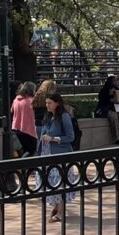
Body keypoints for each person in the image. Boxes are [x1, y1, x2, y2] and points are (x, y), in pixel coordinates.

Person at [37, 93, 78, 221]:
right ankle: (56, 206)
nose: (47, 105)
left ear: (57, 103)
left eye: (50, 103)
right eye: (46, 103)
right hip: (46, 154)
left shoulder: (64, 116)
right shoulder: (49, 116)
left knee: (60, 182)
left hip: (60, 154)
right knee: (48, 182)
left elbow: (70, 137)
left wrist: (54, 139)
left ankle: (60, 210)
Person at [96, 76, 119, 144]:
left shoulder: (118, 90)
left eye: (116, 81)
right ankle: (117, 138)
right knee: (114, 117)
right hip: (109, 109)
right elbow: (102, 102)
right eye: (114, 81)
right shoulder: (104, 91)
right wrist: (110, 96)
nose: (116, 82)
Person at [9, 81, 38, 156]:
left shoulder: (16, 100)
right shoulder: (31, 101)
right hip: (29, 130)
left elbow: (11, 111)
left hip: (16, 128)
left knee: (21, 150)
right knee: (31, 151)